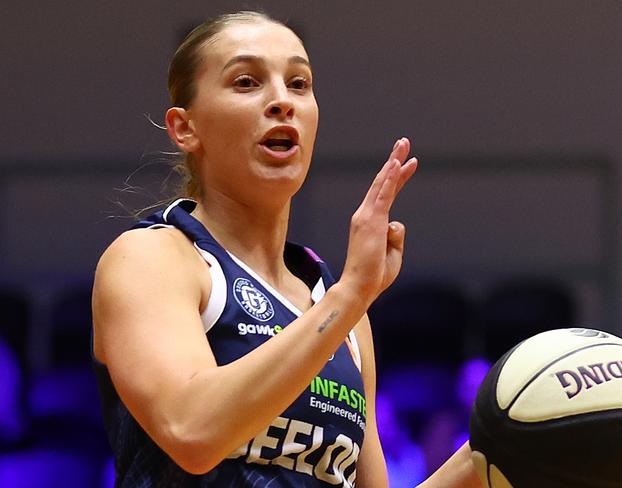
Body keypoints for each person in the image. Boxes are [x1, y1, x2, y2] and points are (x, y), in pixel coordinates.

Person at [92, 10, 482, 487]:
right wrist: (352, 293)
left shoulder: (342, 311)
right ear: (185, 128)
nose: (281, 100)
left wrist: (489, 456)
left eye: (298, 83)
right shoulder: (152, 258)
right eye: (246, 82)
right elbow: (191, 429)